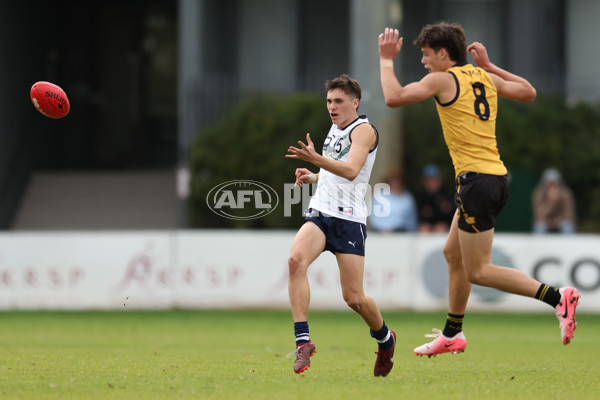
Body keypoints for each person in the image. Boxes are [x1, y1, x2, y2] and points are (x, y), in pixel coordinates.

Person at [378, 22, 580, 357]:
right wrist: (489, 66)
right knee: (452, 253)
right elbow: (528, 92)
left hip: (477, 183)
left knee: (479, 270)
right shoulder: (481, 77)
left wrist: (386, 60)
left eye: (427, 55)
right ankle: (452, 334)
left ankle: (558, 298)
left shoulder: (443, 79)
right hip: (490, 178)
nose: (424, 62)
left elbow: (393, 97)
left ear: (444, 54)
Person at [285, 74, 396, 376]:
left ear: (355, 103)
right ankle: (303, 341)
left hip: (349, 220)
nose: (332, 107)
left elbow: (351, 171)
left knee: (354, 298)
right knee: (295, 262)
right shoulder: (335, 127)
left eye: (338, 101)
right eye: (329, 101)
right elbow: (334, 170)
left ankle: (385, 340)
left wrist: (317, 160)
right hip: (321, 212)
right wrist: (313, 176)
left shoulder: (364, 131)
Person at [369, 168, 418, 232]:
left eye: (397, 180)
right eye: (392, 180)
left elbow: (412, 218)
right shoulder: (379, 196)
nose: (395, 183)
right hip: (383, 233)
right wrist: (385, 228)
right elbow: (374, 219)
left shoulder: (407, 197)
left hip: (403, 233)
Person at [532, 168, 576, 234]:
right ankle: (538, 244)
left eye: (554, 184)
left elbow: (569, 215)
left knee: (568, 226)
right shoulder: (539, 194)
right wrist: (551, 202)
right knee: (539, 227)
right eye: (550, 184)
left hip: (561, 222)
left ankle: (569, 245)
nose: (552, 187)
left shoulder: (566, 193)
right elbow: (539, 215)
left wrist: (556, 222)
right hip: (545, 223)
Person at [417, 164, 455, 233]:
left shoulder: (447, 194)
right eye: (429, 181)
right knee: (424, 228)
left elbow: (450, 213)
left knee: (440, 228)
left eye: (434, 180)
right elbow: (423, 214)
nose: (432, 183)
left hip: (444, 225)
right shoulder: (421, 195)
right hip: (427, 225)